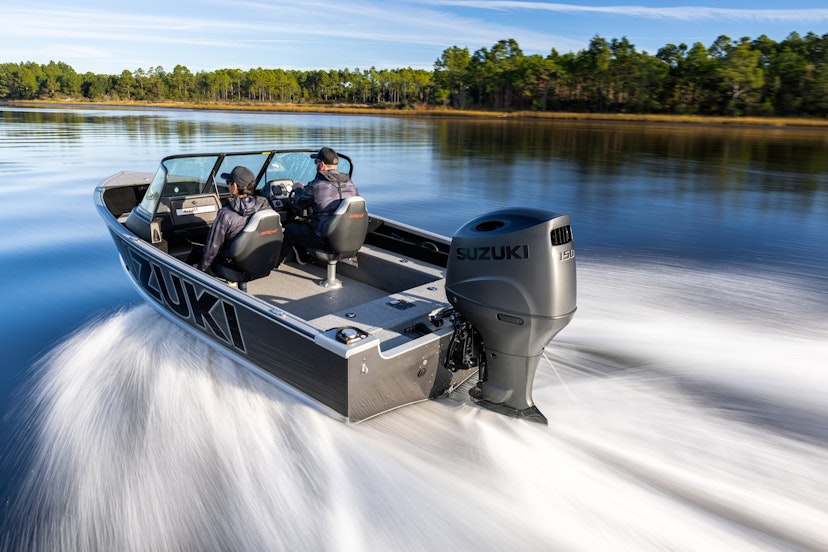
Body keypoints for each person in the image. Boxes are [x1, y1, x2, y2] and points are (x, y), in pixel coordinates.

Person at [279, 146, 359, 265]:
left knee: (290, 229)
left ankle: (275, 264)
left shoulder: (317, 186)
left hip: (324, 239)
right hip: (349, 237)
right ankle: (302, 256)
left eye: (316, 162)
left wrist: (298, 189)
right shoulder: (350, 184)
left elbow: (298, 204)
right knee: (307, 223)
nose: (316, 165)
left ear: (321, 165)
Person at [195, 165, 272, 272]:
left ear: (235, 187)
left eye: (228, 183)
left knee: (197, 252)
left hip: (232, 262)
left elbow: (212, 248)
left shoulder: (226, 213)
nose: (228, 186)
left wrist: (201, 269)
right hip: (258, 258)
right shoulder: (264, 206)